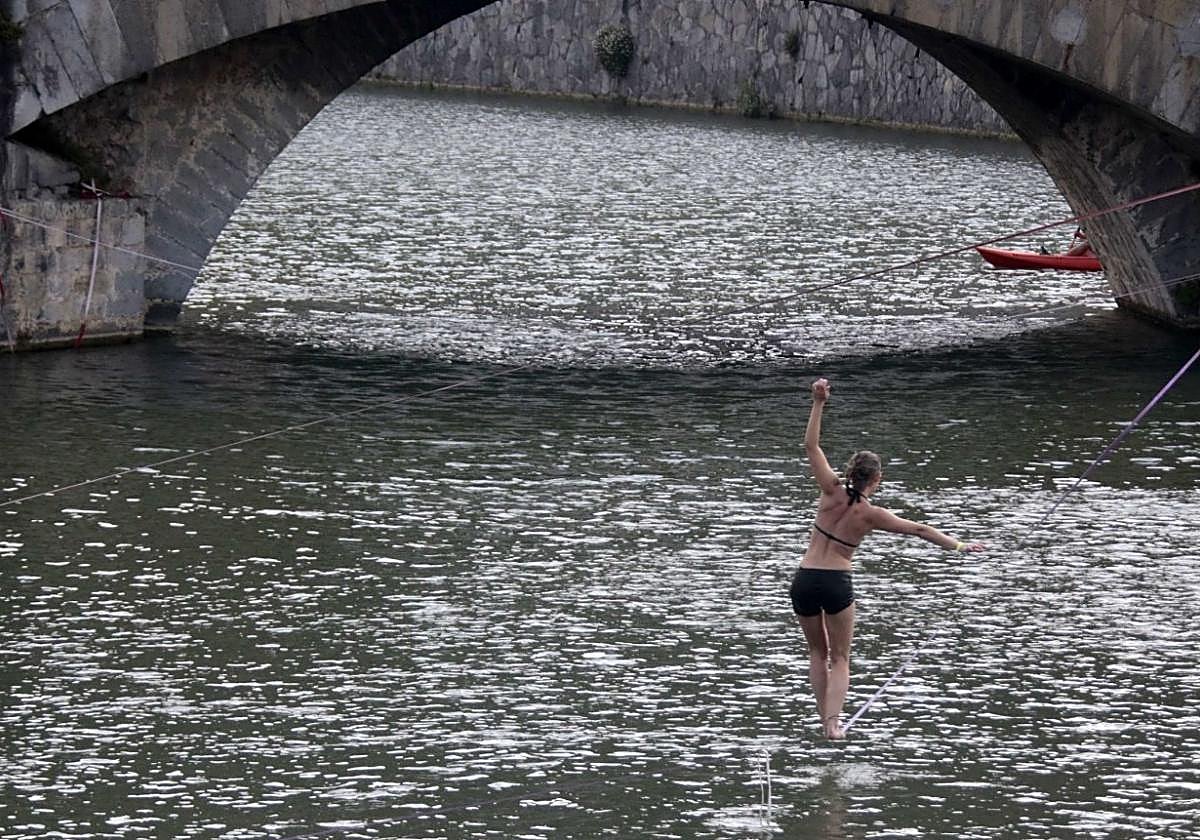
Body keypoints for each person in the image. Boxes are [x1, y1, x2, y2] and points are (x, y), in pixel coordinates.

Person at [791, 377, 984, 740]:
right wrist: (958, 546)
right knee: (841, 658)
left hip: (804, 579)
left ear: (850, 472)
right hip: (836, 581)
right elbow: (921, 529)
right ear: (876, 479)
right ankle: (834, 725)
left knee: (817, 653)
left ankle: (823, 721)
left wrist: (818, 402)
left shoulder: (829, 488)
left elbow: (810, 445)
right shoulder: (873, 514)